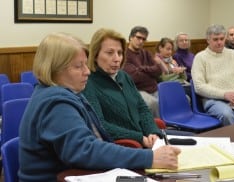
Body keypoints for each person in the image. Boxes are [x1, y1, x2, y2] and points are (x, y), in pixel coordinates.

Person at [18, 32, 181, 181]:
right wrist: (150, 157)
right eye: (78, 66)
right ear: (55, 69)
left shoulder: (65, 92)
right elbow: (85, 150)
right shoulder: (56, 102)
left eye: (85, 64)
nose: (87, 71)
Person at [82, 28, 162, 148]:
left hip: (147, 140)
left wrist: (152, 132)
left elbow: (142, 108)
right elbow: (100, 125)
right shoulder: (88, 82)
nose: (117, 59)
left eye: (119, 53)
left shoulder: (123, 76)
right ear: (95, 55)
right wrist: (139, 138)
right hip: (126, 147)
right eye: (110, 53)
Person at [191, 24, 234, 126]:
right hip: (214, 101)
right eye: (215, 39)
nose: (219, 42)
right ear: (208, 40)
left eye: (222, 39)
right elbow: (199, 87)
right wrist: (224, 94)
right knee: (227, 114)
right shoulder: (200, 58)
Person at [123, 26, 164, 117]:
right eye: (138, 38)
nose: (141, 41)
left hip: (154, 88)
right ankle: (160, 129)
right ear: (131, 37)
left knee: (177, 98)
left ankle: (173, 124)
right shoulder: (124, 55)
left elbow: (158, 70)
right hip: (138, 90)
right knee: (153, 103)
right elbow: (134, 77)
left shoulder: (146, 53)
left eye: (144, 39)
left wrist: (142, 68)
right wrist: (151, 72)